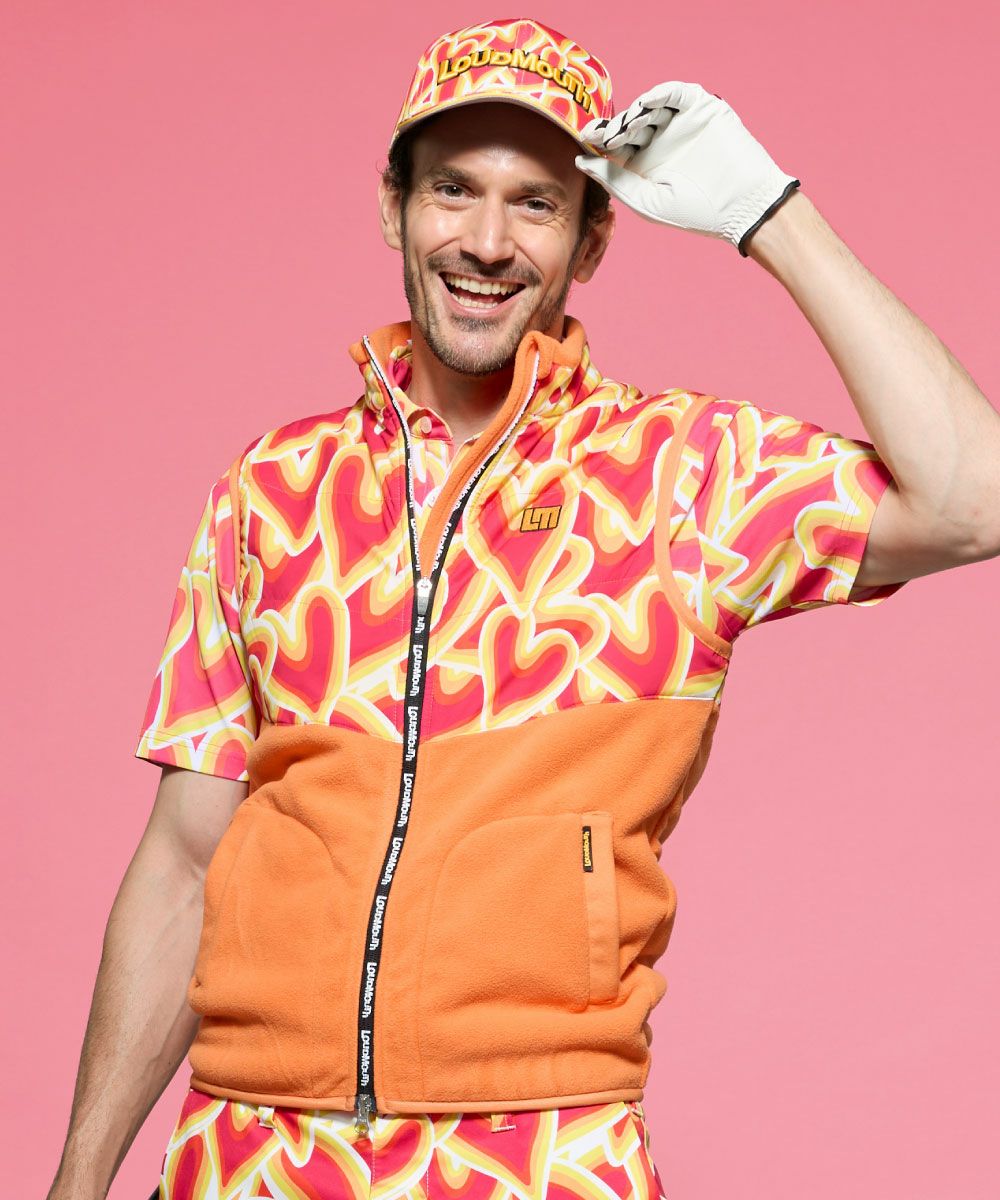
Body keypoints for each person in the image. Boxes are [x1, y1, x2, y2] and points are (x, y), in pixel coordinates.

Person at [47, 17, 1000, 1200]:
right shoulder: (273, 491)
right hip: (247, 1158)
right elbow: (183, 864)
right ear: (392, 207)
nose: (486, 243)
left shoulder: (681, 480)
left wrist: (768, 213)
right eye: (452, 189)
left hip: (537, 1158)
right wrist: (77, 1181)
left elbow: (973, 500)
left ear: (592, 238)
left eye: (536, 203)